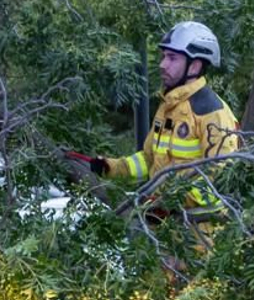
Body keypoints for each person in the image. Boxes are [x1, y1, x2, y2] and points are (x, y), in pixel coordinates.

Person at [72, 21, 240, 224]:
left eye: (172, 58)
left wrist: (168, 205)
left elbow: (221, 178)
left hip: (200, 237)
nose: (162, 64)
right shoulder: (168, 108)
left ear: (194, 65)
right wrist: (112, 167)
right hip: (163, 230)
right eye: (163, 57)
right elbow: (150, 160)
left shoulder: (212, 112)